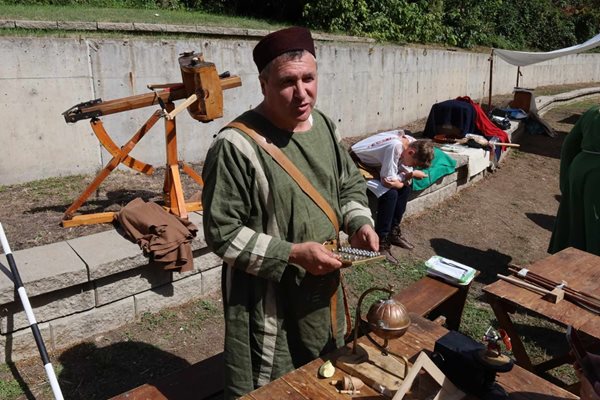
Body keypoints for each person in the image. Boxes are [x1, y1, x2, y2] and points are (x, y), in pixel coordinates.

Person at [201, 26, 378, 399]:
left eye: (309, 78)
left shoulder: (324, 125)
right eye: (288, 82)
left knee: (322, 372)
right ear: (264, 83)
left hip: (321, 288)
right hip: (268, 299)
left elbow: (347, 184)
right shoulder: (234, 147)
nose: (302, 93)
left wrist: (358, 220)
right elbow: (222, 233)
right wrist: (293, 254)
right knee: (274, 384)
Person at [350, 130, 434, 252]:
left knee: (405, 188)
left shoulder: (411, 143)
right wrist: (408, 175)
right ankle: (381, 241)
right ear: (411, 152)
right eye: (414, 164)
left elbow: (399, 175)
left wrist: (403, 179)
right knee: (390, 194)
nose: (413, 167)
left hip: (375, 165)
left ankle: (393, 232)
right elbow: (388, 182)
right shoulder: (395, 146)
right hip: (356, 164)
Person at [548, 105, 600, 256]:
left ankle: (566, 257)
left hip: (579, 168)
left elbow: (570, 144)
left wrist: (566, 179)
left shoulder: (592, 111)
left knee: (574, 214)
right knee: (594, 221)